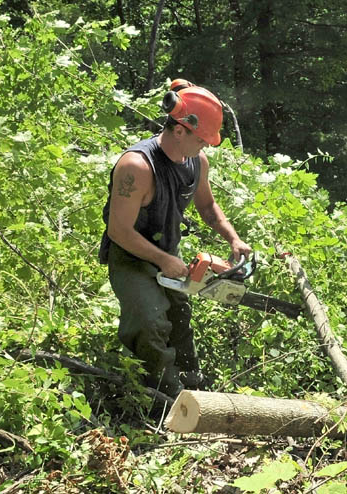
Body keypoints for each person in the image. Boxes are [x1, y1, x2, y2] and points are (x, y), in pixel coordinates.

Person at [99, 79, 251, 397]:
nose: (206, 145)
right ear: (180, 129)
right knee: (150, 321)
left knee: (179, 317)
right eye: (202, 139)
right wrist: (163, 260)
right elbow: (118, 231)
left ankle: (191, 383)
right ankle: (161, 397)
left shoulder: (197, 162)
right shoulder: (137, 167)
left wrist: (233, 238)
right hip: (131, 254)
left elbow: (207, 206)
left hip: (167, 250)